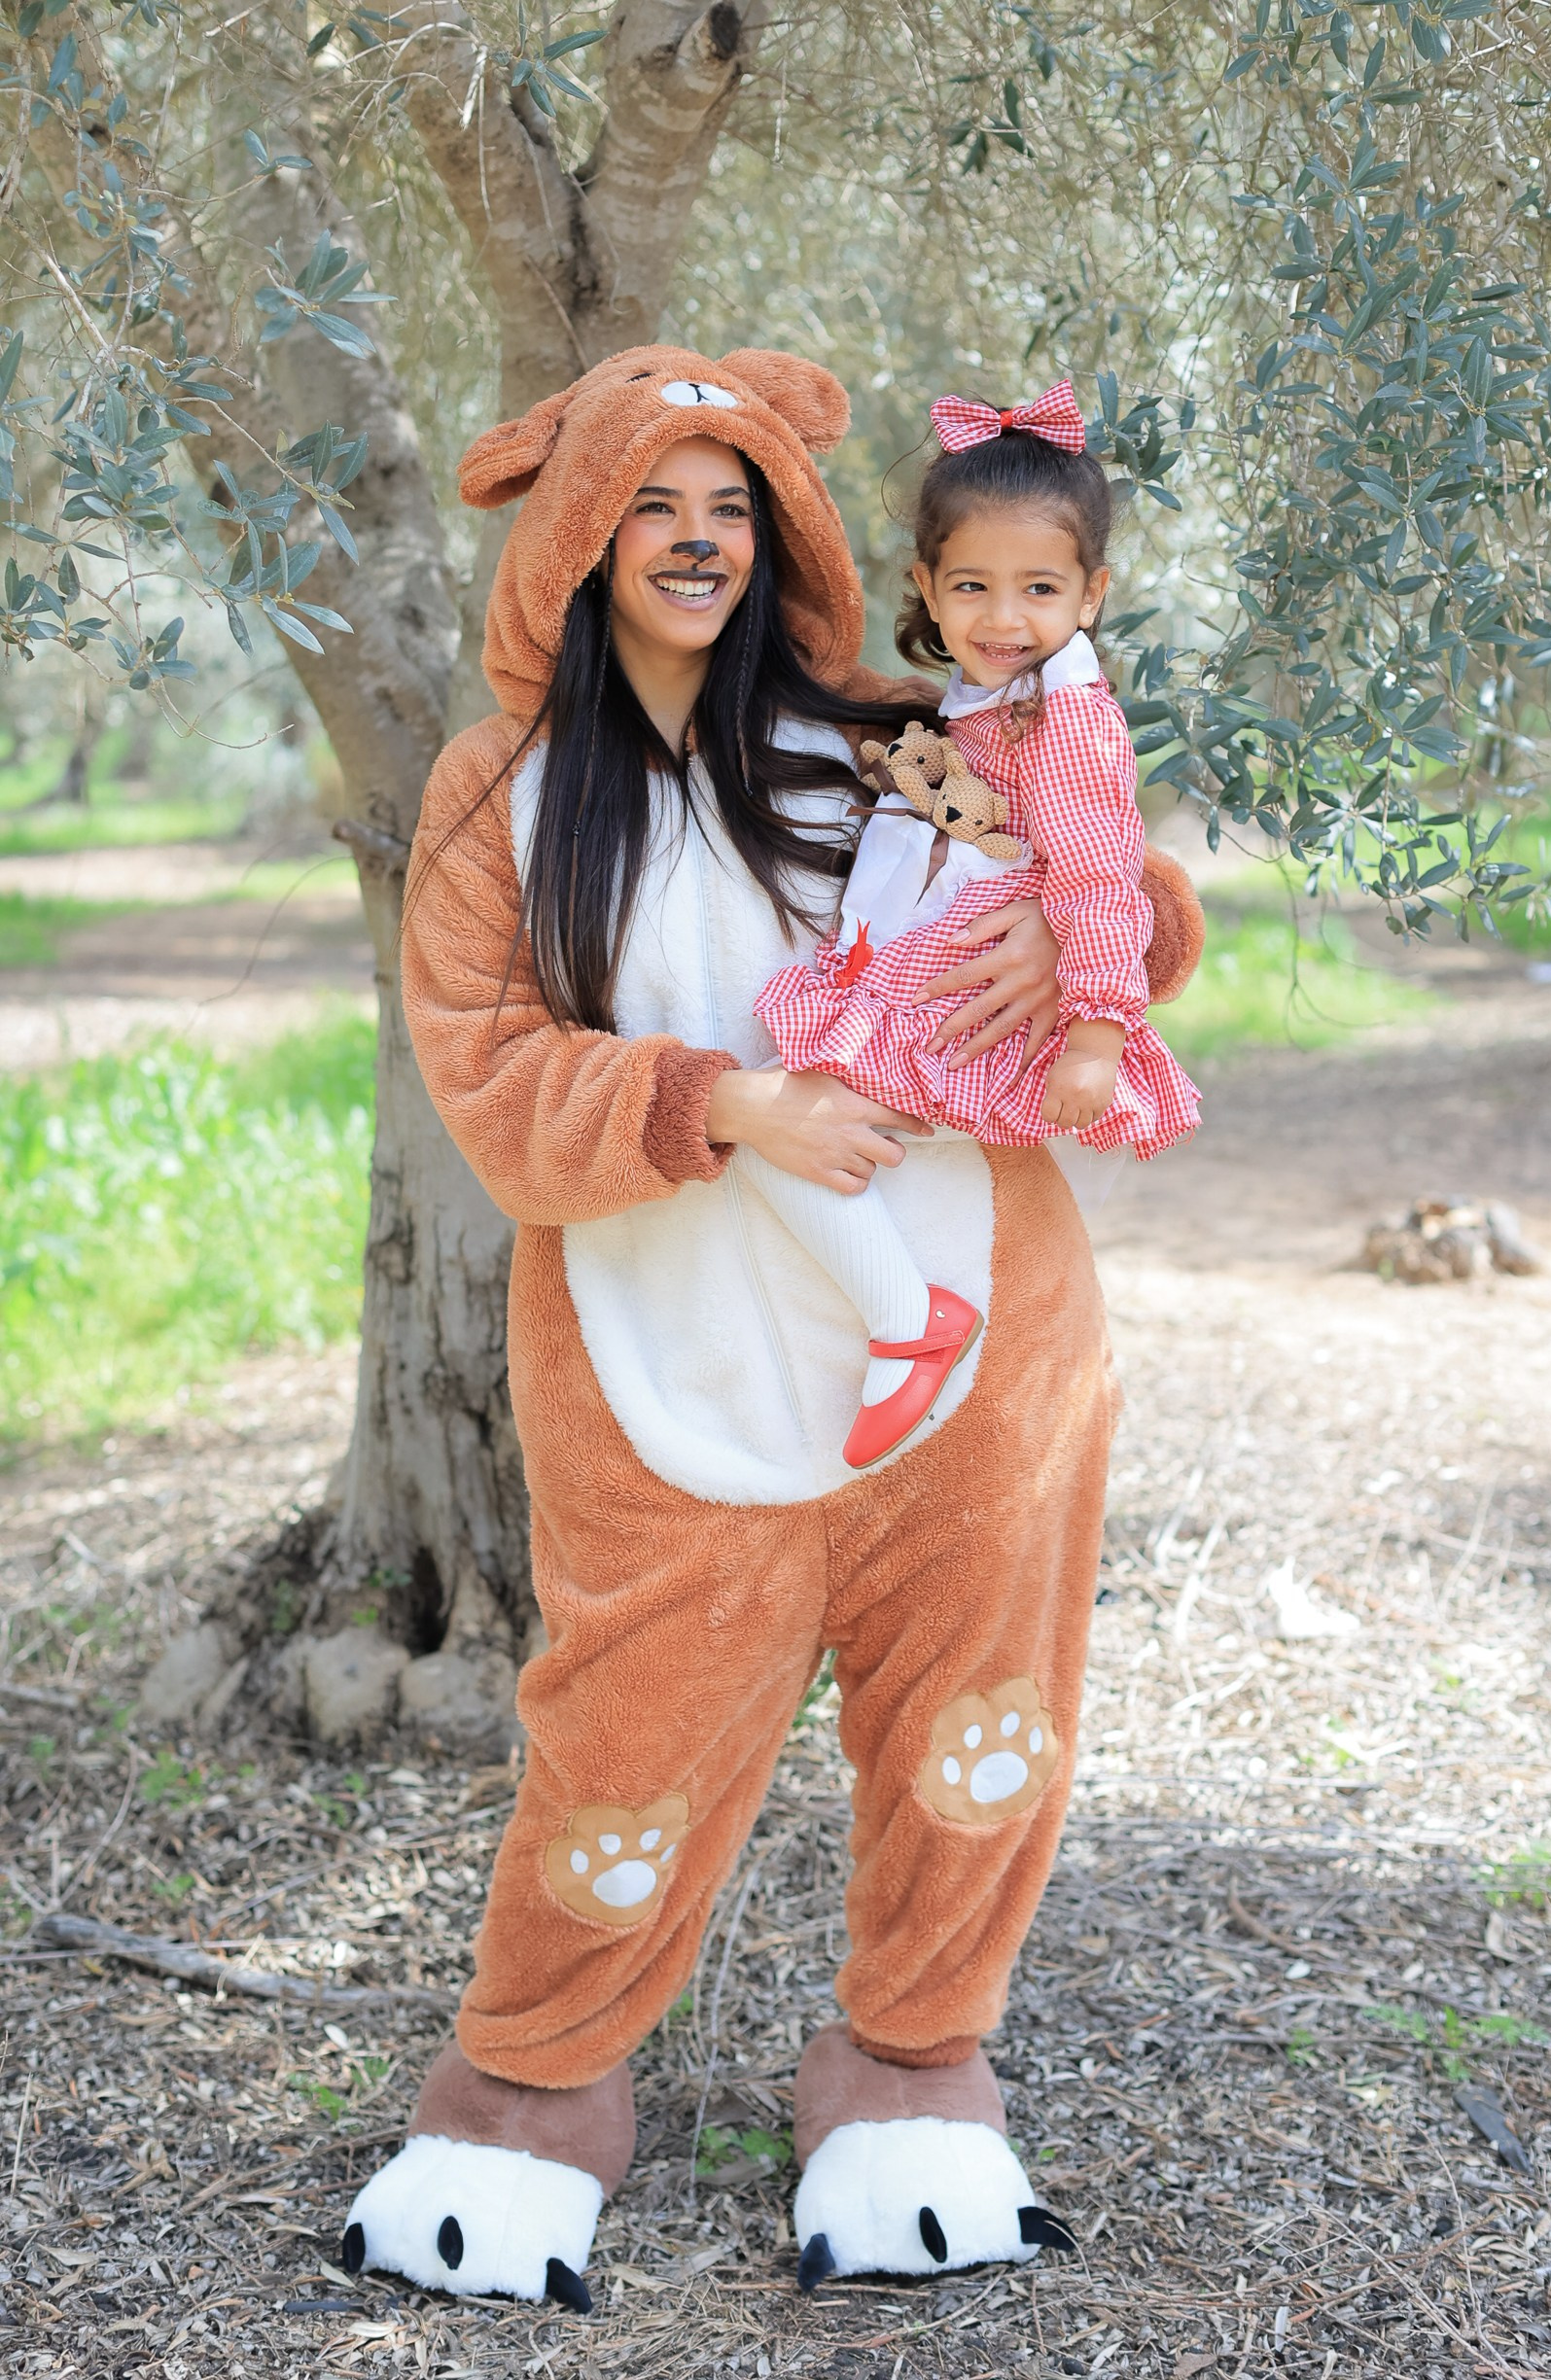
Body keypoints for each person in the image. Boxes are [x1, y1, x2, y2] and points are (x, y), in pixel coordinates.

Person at [338, 347, 1202, 2306]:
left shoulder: (893, 727)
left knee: (977, 1720)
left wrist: (1083, 937)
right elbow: (488, 1079)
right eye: (653, 503)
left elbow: (1122, 890)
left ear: (782, 536)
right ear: (579, 535)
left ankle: (913, 2061)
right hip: (670, 1351)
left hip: (976, 1344)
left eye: (730, 507)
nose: (695, 541)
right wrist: (730, 1103)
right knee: (624, 1735)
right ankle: (531, 2083)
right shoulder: (500, 794)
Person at [754, 379, 1201, 1468]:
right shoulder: (980, 696)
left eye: (1039, 589)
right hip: (945, 952)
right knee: (788, 1126)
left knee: (782, 1132)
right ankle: (898, 1321)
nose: (1005, 620)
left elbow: (1097, 878)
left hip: (980, 985)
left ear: (1091, 595)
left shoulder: (1069, 717)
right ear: (927, 587)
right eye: (973, 587)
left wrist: (1096, 1033)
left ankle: (909, 1322)